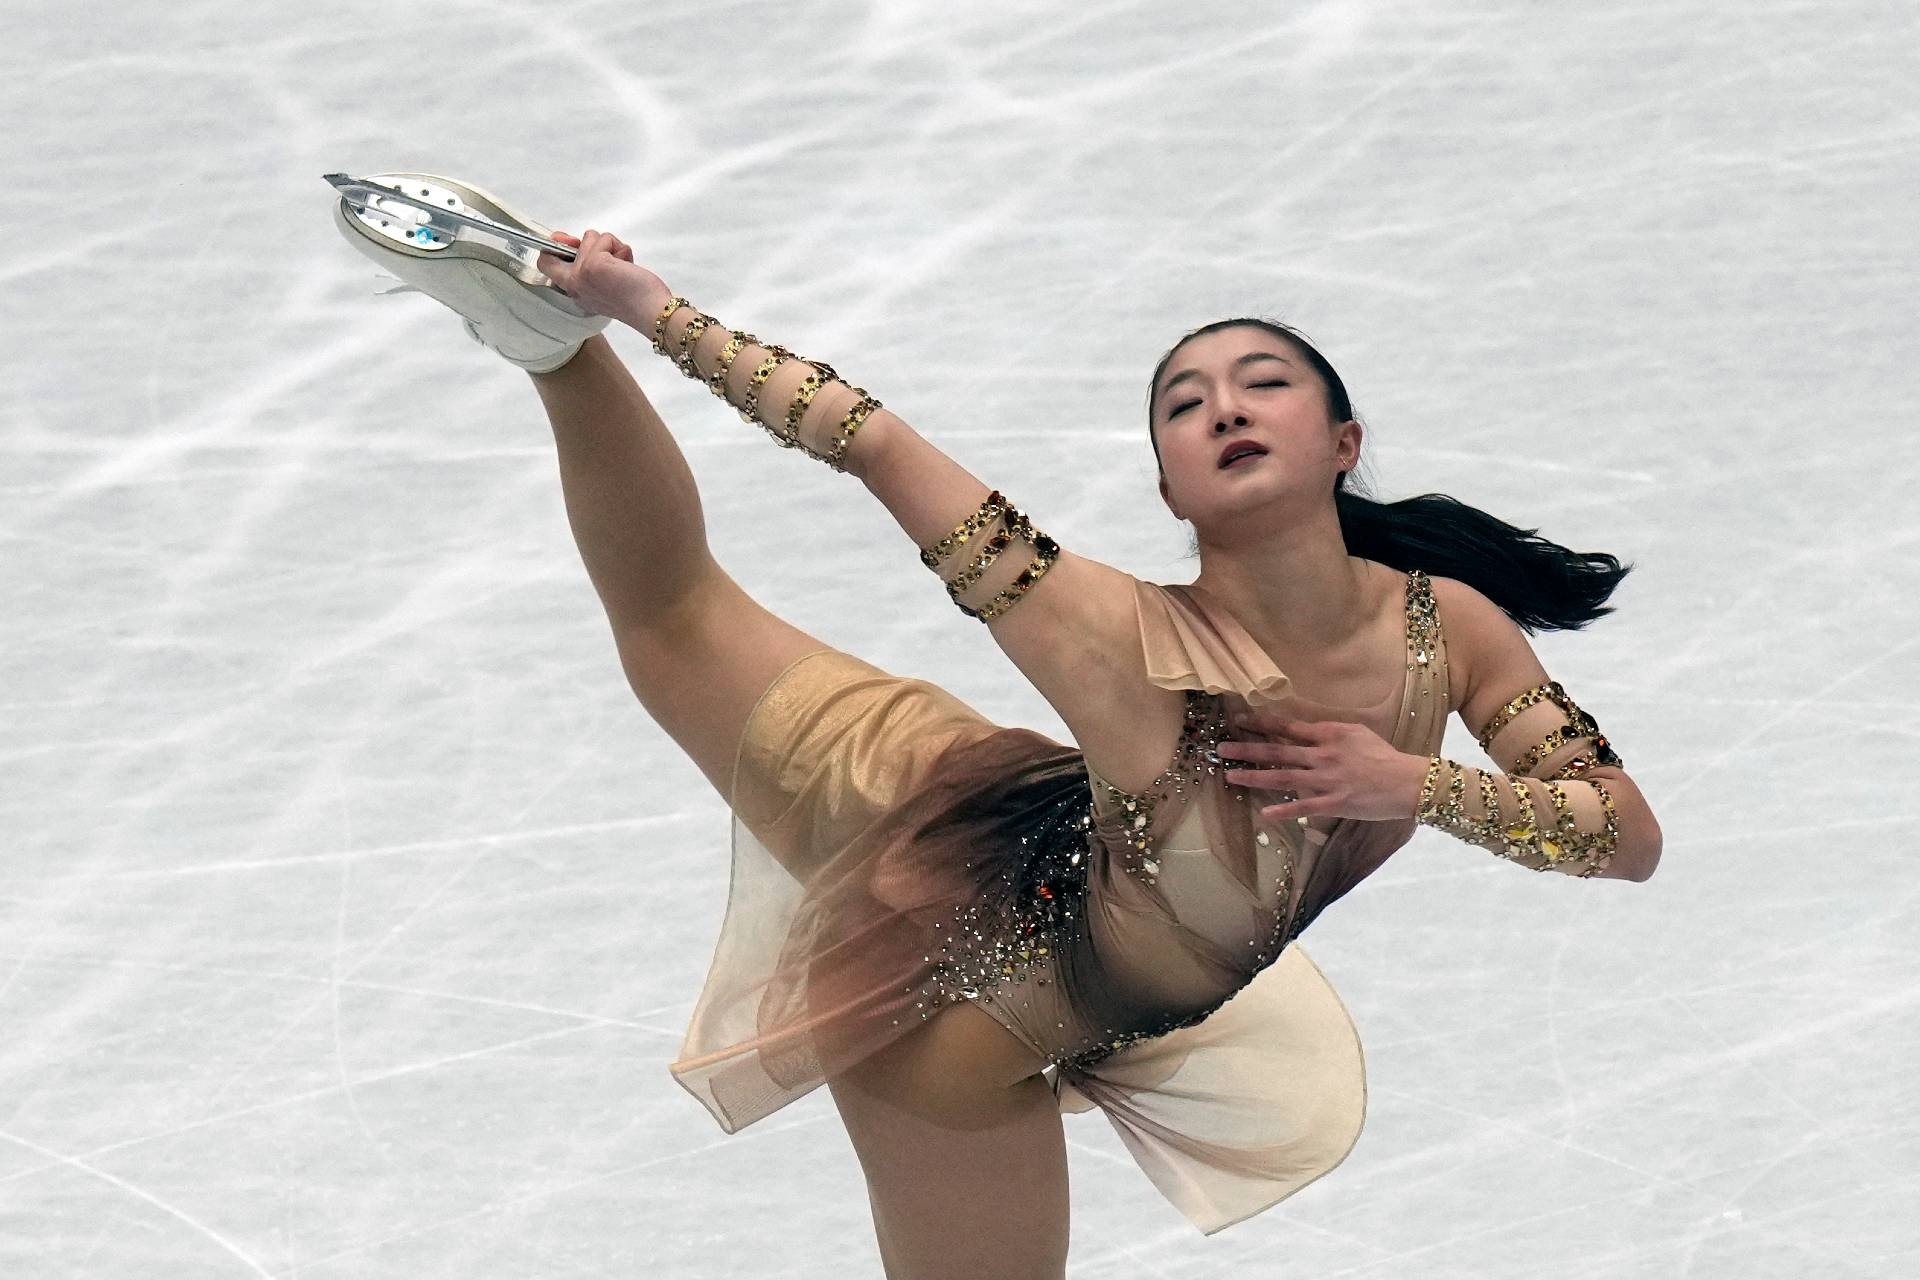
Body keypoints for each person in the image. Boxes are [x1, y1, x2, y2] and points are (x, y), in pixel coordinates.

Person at [334, 174, 1663, 1280]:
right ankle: (552, 350)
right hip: (958, 1018)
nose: (1226, 409)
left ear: (1341, 439)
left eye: (1262, 384)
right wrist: (643, 309)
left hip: (994, 820)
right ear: (1169, 484)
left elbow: (1623, 836)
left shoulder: (1452, 627)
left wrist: (1407, 778)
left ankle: (554, 350)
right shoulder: (1118, 635)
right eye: (1187, 406)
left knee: (675, 623)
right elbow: (867, 440)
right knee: (674, 622)